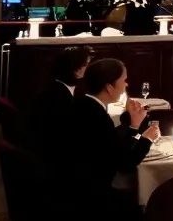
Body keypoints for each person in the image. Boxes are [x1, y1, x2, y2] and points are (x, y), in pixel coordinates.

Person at [64, 58, 160, 207]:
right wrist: (147, 138)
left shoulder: (84, 105)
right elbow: (124, 163)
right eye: (124, 80)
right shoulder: (96, 116)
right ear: (109, 87)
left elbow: (111, 143)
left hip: (75, 185)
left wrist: (133, 124)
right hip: (91, 196)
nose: (126, 84)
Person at [28, 45, 92, 160]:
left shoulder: (56, 87)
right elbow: (67, 135)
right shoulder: (57, 97)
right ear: (75, 69)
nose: (88, 68)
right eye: (86, 65)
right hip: (55, 157)